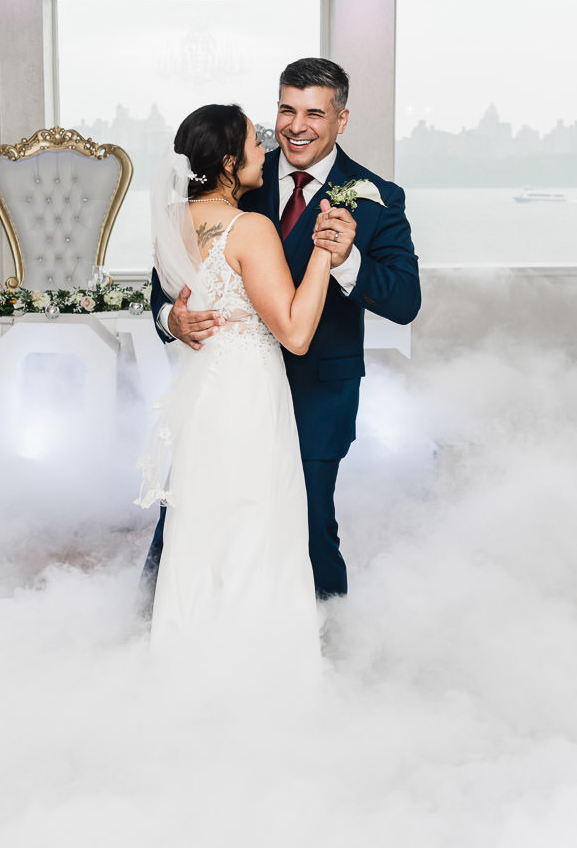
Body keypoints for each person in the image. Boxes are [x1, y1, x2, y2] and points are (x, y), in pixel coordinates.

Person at [146, 58, 422, 600]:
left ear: (341, 119)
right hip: (227, 393)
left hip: (319, 391)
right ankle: (158, 631)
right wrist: (171, 317)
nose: (296, 125)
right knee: (187, 516)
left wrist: (345, 261)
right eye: (286, 109)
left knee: (307, 527)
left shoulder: (376, 195)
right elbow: (172, 271)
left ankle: (323, 647)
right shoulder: (239, 176)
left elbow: (406, 299)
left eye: (314, 113)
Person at [136, 103, 341, 661]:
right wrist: (324, 253)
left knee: (201, 520)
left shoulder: (172, 223)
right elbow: (296, 333)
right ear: (229, 162)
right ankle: (258, 667)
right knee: (257, 516)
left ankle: (188, 657)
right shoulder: (250, 228)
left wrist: (174, 319)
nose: (267, 146)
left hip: (203, 392)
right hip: (248, 390)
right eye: (256, 141)